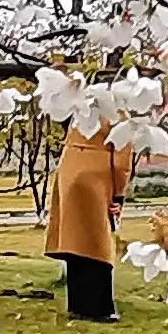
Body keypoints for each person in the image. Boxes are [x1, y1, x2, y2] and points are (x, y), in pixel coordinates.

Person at [47, 128, 127, 323]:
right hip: (97, 173)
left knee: (75, 240)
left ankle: (78, 304)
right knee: (97, 243)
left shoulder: (81, 112)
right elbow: (121, 162)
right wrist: (119, 194)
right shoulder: (121, 115)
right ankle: (98, 308)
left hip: (69, 167)